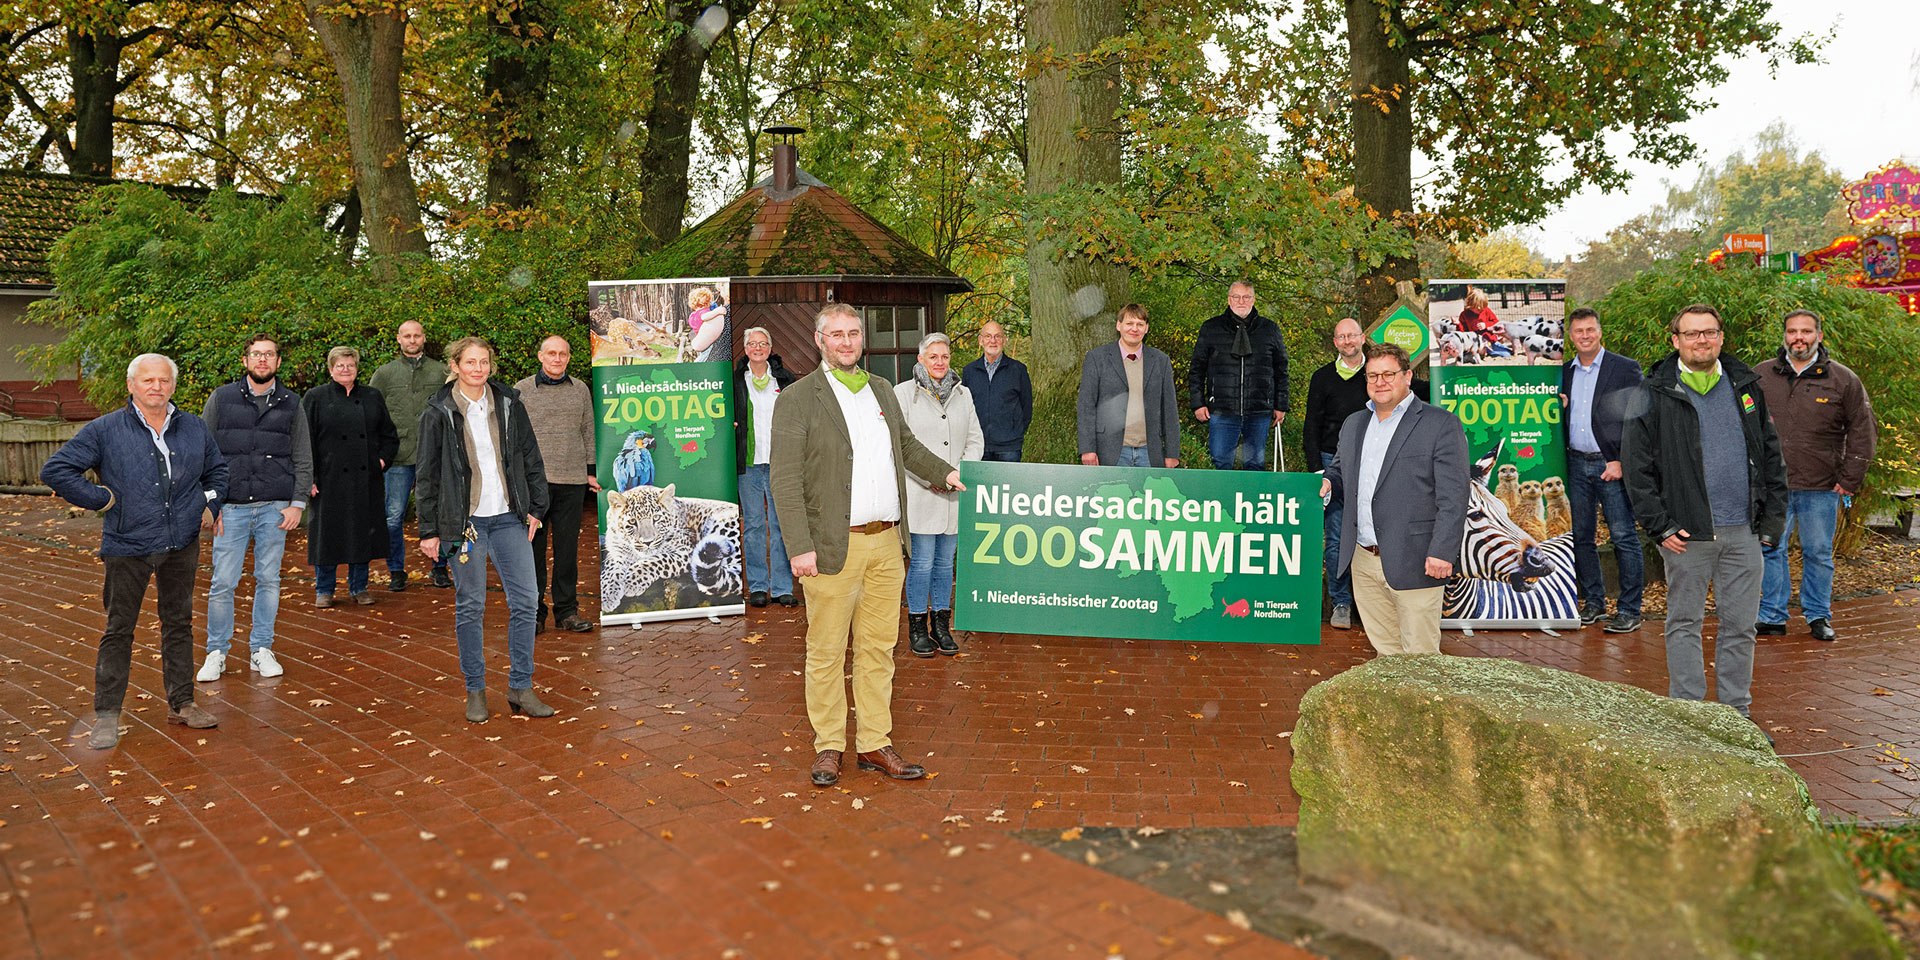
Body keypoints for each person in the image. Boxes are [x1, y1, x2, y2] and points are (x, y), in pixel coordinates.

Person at [770, 303, 963, 788]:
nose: (847, 341)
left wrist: (945, 473)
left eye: (853, 333)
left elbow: (909, 446)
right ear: (819, 340)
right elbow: (786, 479)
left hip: (885, 546)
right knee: (827, 652)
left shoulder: (880, 391)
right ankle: (829, 746)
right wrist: (799, 546)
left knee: (879, 650)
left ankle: (874, 743)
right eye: (836, 334)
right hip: (832, 547)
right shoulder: (797, 400)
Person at [41, 354, 227, 749]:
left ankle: (182, 703)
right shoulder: (106, 429)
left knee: (178, 624)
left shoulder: (192, 427)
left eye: (163, 380)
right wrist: (100, 500)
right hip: (128, 545)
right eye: (148, 381)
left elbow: (218, 472)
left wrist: (209, 505)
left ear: (173, 386)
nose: (156, 387)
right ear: (131, 386)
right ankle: (107, 714)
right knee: (118, 629)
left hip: (181, 545)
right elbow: (56, 470)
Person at [1622, 304, 1787, 736]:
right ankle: (1690, 718)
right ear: (1675, 340)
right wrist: (1659, 525)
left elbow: (1770, 454)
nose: (1701, 341)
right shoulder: (1654, 392)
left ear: (1721, 338)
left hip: (1744, 531)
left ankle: (1736, 717)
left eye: (1709, 333)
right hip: (1687, 534)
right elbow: (1636, 468)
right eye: (1692, 334)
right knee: (1683, 623)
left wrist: (1771, 521)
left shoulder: (1746, 386)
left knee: (1741, 626)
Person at [417, 336, 553, 723]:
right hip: (466, 525)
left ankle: (520, 686)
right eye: (470, 362)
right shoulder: (438, 411)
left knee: (527, 601)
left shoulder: (509, 404)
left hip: (510, 518)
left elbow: (530, 457)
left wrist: (535, 508)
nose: (478, 368)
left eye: (484, 362)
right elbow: (426, 475)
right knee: (471, 606)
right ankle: (475, 690)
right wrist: (430, 530)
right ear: (455, 366)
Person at [1320, 342, 1468, 655]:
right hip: (1363, 559)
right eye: (1372, 375)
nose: (1380, 382)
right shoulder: (1354, 424)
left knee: (1420, 658)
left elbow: (1454, 495)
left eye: (1388, 374)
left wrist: (1443, 551)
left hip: (1416, 558)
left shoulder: (1440, 424)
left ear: (1408, 376)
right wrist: (1327, 485)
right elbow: (1339, 471)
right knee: (1386, 656)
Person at [1301, 317, 1430, 630]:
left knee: (1382, 532)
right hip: (1337, 466)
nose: (1347, 341)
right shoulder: (1322, 378)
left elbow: (1420, 391)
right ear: (1335, 342)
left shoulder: (1378, 374)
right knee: (1336, 539)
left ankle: (1377, 601)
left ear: (1363, 338)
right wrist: (1320, 470)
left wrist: (1452, 378)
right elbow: (1311, 426)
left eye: (1352, 335)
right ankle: (1342, 602)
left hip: (1379, 461)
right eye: (1341, 336)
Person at [198, 335, 313, 682]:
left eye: (269, 355)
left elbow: (303, 455)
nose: (263, 360)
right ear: (245, 360)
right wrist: (209, 503)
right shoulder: (222, 398)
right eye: (256, 354)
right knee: (222, 582)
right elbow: (202, 453)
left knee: (269, 580)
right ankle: (216, 652)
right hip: (229, 508)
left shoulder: (292, 403)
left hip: (274, 509)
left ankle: (261, 649)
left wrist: (297, 504)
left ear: (278, 362)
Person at [1756, 309, 1876, 642]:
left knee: (1819, 553)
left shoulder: (1843, 380)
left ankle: (1818, 615)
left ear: (1819, 336)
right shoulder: (1761, 376)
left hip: (1821, 486)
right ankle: (1771, 616)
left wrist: (1850, 478)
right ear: (1784, 336)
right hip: (1773, 487)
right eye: (1792, 331)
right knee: (1770, 551)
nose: (1799, 338)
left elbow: (1863, 431)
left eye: (1806, 332)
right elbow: (1742, 427)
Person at [895, 333, 984, 657]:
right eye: (933, 356)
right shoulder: (903, 394)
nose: (940, 362)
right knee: (921, 562)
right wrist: (931, 477)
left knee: (945, 564)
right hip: (921, 492)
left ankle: (942, 626)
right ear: (921, 359)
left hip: (954, 494)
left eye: (944, 356)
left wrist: (960, 472)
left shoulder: (964, 394)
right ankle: (917, 626)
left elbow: (975, 439)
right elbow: (900, 446)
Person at [1558, 308, 1646, 634]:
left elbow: (1637, 419)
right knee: (1581, 538)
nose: (1585, 336)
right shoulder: (1562, 372)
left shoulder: (1623, 368)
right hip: (1576, 464)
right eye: (1579, 331)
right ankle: (1593, 603)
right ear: (1571, 336)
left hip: (1610, 464)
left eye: (1590, 330)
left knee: (1623, 537)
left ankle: (1629, 609)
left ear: (1599, 331)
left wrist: (1621, 459)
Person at [515, 335, 598, 635]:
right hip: (533, 485)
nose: (557, 359)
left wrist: (590, 471)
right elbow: (513, 438)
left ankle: (567, 611)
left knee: (567, 550)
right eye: (551, 353)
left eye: (563, 354)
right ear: (540, 356)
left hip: (572, 481)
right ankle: (534, 612)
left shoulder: (580, 390)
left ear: (569, 358)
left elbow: (588, 430)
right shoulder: (522, 390)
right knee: (532, 551)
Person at [304, 347, 399, 608]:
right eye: (340, 365)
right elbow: (304, 440)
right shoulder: (315, 398)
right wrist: (309, 477)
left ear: (357, 368)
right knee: (327, 536)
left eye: (350, 365)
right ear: (330, 368)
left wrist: (381, 460)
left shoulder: (372, 396)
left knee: (361, 535)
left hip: (364, 479)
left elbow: (389, 435)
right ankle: (324, 589)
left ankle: (359, 587)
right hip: (328, 479)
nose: (345, 369)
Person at [369, 319, 450, 590]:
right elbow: (371, 415)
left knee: (439, 513)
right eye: (407, 336)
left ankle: (440, 567)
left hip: (435, 455)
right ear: (398, 339)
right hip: (398, 456)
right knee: (393, 515)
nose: (412, 340)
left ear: (424, 338)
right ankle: (396, 570)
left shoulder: (441, 372)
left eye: (416, 336)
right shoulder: (384, 374)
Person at [732, 326, 798, 608]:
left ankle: (783, 587)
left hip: (779, 463)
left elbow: (798, 417)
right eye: (752, 344)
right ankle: (758, 586)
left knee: (781, 526)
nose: (757, 348)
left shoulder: (784, 380)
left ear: (770, 349)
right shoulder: (734, 381)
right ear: (745, 349)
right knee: (754, 526)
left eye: (763, 343)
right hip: (748, 465)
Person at [1191, 281, 1288, 469]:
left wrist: (1281, 404)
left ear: (1253, 300)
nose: (1241, 301)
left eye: (1246, 297)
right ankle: (1220, 499)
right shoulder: (1211, 328)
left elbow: (1281, 370)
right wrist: (1198, 402)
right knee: (1220, 463)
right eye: (1236, 296)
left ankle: (1251, 500)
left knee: (1255, 464)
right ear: (1229, 299)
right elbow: (1197, 368)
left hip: (1259, 411)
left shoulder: (1270, 329)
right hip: (1221, 411)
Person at [1078, 303, 1181, 469]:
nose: (1135, 329)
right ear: (1119, 325)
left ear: (1146, 329)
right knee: (1111, 495)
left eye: (1140, 324)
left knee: (1148, 495)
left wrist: (1172, 452)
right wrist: (1087, 449)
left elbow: (1170, 409)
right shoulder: (1097, 358)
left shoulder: (1161, 361)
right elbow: (1086, 406)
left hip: (1150, 452)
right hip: (1109, 451)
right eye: (1129, 323)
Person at [959, 321, 1032, 462]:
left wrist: (1014, 432)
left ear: (1004, 340)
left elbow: (1027, 407)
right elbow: (964, 406)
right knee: (978, 484)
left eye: (998, 336)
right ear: (981, 340)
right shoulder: (969, 371)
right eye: (988, 336)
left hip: (1009, 447)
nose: (993, 341)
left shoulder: (1018, 370)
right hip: (977, 445)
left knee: (1009, 484)